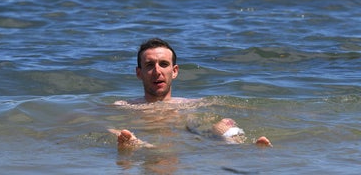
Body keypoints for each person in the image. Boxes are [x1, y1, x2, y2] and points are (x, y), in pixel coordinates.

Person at [109, 38, 272, 149]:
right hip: (144, 142)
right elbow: (103, 125)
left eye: (164, 64)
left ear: (174, 71)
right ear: (139, 73)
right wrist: (122, 135)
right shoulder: (126, 106)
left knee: (222, 124)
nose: (157, 71)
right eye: (150, 65)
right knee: (125, 137)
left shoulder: (191, 104)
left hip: (190, 139)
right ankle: (139, 145)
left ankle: (248, 149)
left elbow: (240, 106)